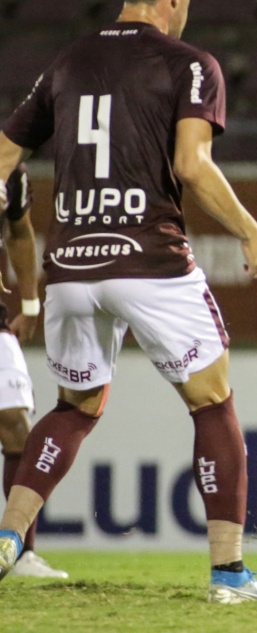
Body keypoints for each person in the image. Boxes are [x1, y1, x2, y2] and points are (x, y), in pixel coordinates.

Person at [0, 0, 257, 603]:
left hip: (69, 265)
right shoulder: (190, 65)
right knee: (212, 400)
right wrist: (252, 229)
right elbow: (191, 166)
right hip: (150, 259)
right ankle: (229, 573)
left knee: (75, 405)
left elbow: (7, 152)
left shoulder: (69, 59)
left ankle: (11, 536)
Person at [0, 167, 67, 579]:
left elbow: (19, 232)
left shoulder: (10, 169)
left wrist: (28, 304)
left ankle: (20, 554)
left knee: (20, 429)